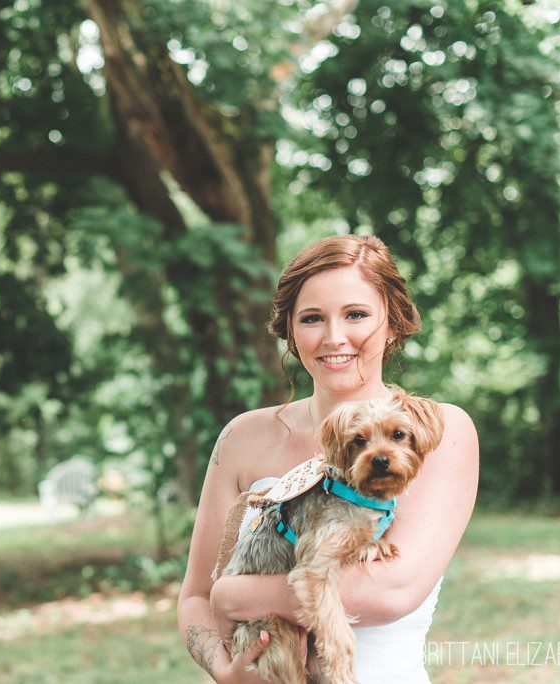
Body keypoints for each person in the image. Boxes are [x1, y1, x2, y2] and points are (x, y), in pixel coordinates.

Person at [176, 235, 478, 683]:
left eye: (356, 314)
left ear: (392, 323)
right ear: (292, 333)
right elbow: (196, 595)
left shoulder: (436, 431)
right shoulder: (242, 437)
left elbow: (391, 591)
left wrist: (234, 596)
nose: (334, 337)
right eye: (312, 318)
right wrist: (224, 669)